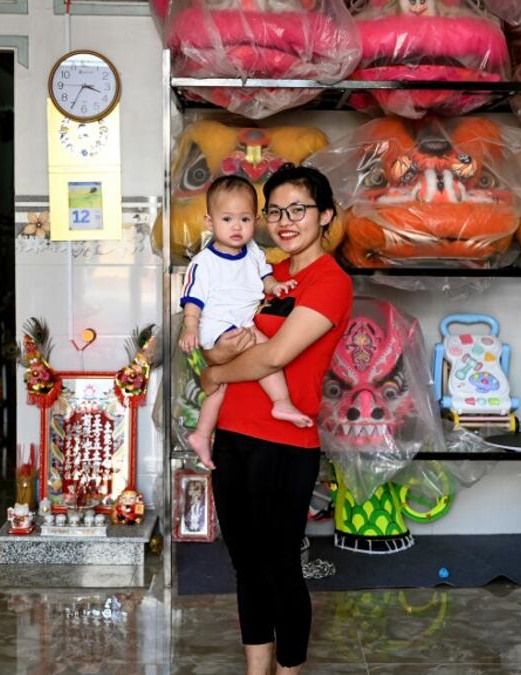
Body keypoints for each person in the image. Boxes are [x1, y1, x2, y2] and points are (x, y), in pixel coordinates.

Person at [199, 165, 353, 675]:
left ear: (325, 215)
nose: (285, 221)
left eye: (298, 209)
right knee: (245, 564)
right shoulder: (261, 271)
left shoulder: (330, 281)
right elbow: (212, 345)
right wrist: (213, 362)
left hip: (285, 442)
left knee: (280, 565)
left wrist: (217, 370)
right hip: (231, 435)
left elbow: (275, 356)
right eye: (276, 211)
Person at [178, 175, 314, 468]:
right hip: (218, 324)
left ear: (255, 220)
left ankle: (201, 434)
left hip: (240, 321)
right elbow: (193, 299)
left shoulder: (253, 252)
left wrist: (276, 286)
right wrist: (190, 327)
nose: (237, 227)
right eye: (227, 219)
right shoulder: (204, 263)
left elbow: (265, 277)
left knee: (220, 386)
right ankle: (281, 401)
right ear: (209, 221)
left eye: (245, 219)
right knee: (265, 349)